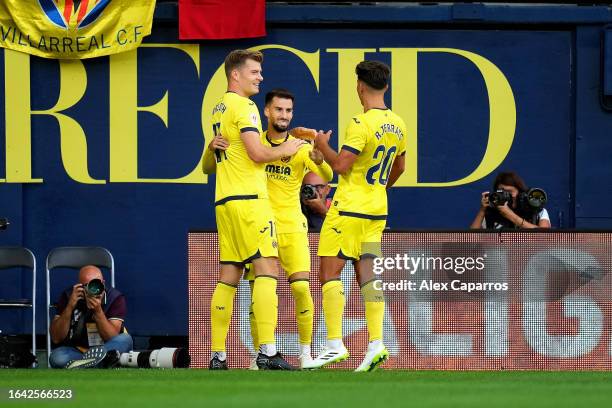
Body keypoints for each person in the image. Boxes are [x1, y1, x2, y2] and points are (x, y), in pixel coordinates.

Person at [202, 50, 305, 370]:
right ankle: (268, 351)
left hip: (224, 202)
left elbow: (209, 167)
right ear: (236, 75)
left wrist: (210, 147)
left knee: (228, 275)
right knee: (267, 271)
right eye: (254, 72)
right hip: (250, 200)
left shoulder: (219, 107)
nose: (260, 77)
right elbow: (258, 153)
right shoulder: (244, 107)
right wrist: (287, 149)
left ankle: (217, 355)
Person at [309, 60, 407, 372]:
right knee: (369, 278)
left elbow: (340, 166)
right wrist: (376, 189)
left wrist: (323, 146)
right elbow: (400, 168)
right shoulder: (399, 124)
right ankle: (377, 344)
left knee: (329, 273)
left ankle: (336, 343)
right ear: (386, 87)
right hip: (377, 211)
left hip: (349, 209)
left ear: (359, 87)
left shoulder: (360, 123)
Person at [243, 89, 333, 369]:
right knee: (260, 293)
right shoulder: (255, 144)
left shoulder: (300, 147)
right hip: (261, 225)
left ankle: (305, 352)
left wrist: (319, 159)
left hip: (293, 226)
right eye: (279, 110)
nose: (284, 115)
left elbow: (328, 175)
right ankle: (261, 355)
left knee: (302, 289)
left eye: (288, 111)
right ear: (267, 111)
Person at [48, 265, 132, 368]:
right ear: (80, 286)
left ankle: (87, 364)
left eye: (97, 284)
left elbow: (112, 338)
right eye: (89, 285)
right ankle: (100, 363)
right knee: (57, 357)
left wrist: (98, 311)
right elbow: (56, 338)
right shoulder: (69, 296)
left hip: (108, 347)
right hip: (79, 350)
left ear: (103, 283)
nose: (94, 288)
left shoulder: (114, 298)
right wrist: (70, 306)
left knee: (125, 339)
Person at [470, 171, 552, 229]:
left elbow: (544, 235)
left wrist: (510, 215)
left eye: (509, 192)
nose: (505, 195)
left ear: (520, 193)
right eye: (501, 192)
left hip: (529, 253)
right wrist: (482, 210)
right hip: (497, 253)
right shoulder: (491, 211)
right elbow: (470, 240)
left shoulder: (537, 210)